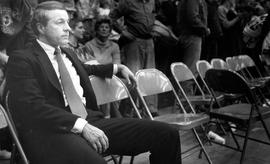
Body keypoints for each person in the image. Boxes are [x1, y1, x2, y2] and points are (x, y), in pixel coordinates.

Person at [6, 1, 181, 164]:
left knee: (167, 134)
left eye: (68, 22)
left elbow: (85, 70)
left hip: (89, 120)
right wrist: (82, 126)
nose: (68, 29)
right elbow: (32, 107)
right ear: (41, 27)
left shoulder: (67, 53)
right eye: (60, 23)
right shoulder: (22, 59)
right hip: (53, 131)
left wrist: (115, 68)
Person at [110, 0, 159, 116]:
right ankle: (127, 112)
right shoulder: (128, 2)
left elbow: (153, 17)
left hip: (149, 41)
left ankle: (150, 110)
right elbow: (111, 17)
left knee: (150, 76)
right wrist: (122, 32)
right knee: (132, 77)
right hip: (133, 42)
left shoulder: (151, 2)